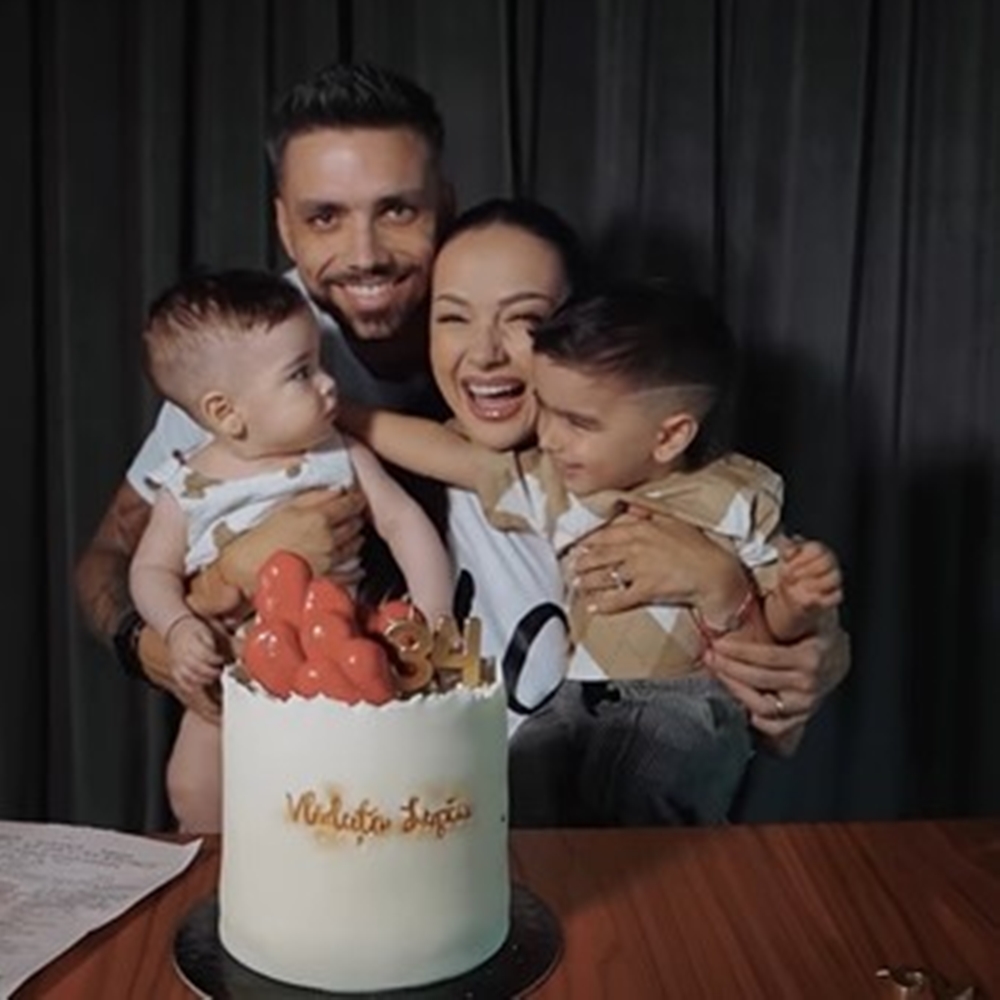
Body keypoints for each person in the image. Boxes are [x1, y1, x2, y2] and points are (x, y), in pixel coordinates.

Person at [73, 62, 850, 814]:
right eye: (324, 217)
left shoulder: (538, 326)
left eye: (397, 210)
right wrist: (202, 609)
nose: (365, 253)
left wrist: (782, 628)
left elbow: (703, 511)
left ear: (444, 205)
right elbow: (112, 559)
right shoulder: (248, 351)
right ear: (283, 223)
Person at [345, 215, 843, 823]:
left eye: (525, 320)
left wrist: (735, 592)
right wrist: (335, 412)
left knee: (640, 787)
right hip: (463, 833)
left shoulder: (713, 492)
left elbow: (780, 721)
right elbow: (449, 455)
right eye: (453, 317)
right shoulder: (445, 486)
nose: (486, 352)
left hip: (669, 738)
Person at [129, 269, 452, 829]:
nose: (328, 384)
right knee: (193, 784)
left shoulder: (338, 454)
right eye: (301, 373)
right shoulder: (185, 487)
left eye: (320, 364)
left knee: (341, 788)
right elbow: (150, 570)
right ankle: (216, 864)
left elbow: (401, 521)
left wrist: (431, 610)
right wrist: (178, 627)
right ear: (226, 412)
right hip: (234, 667)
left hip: (338, 655)